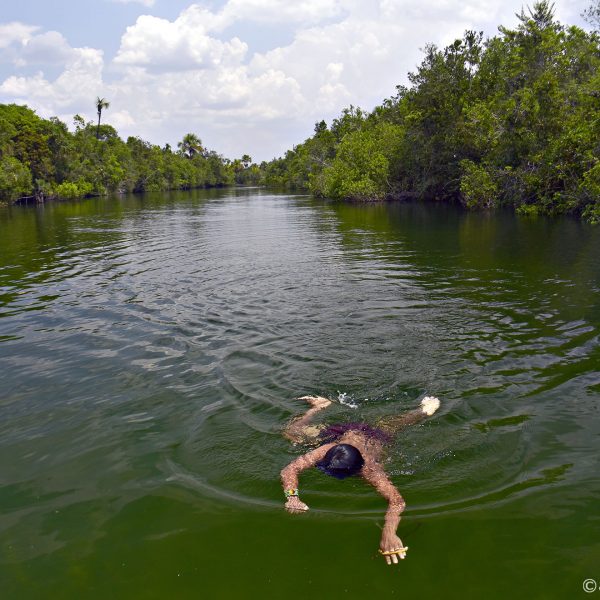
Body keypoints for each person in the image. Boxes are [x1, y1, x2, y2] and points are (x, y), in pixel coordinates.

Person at [280, 394, 441, 565]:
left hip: (375, 437)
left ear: (356, 471)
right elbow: (289, 470)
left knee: (395, 424)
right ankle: (319, 406)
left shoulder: (370, 470)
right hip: (341, 433)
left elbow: (397, 501)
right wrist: (292, 497)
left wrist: (388, 532)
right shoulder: (327, 449)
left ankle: (422, 410)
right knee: (291, 433)